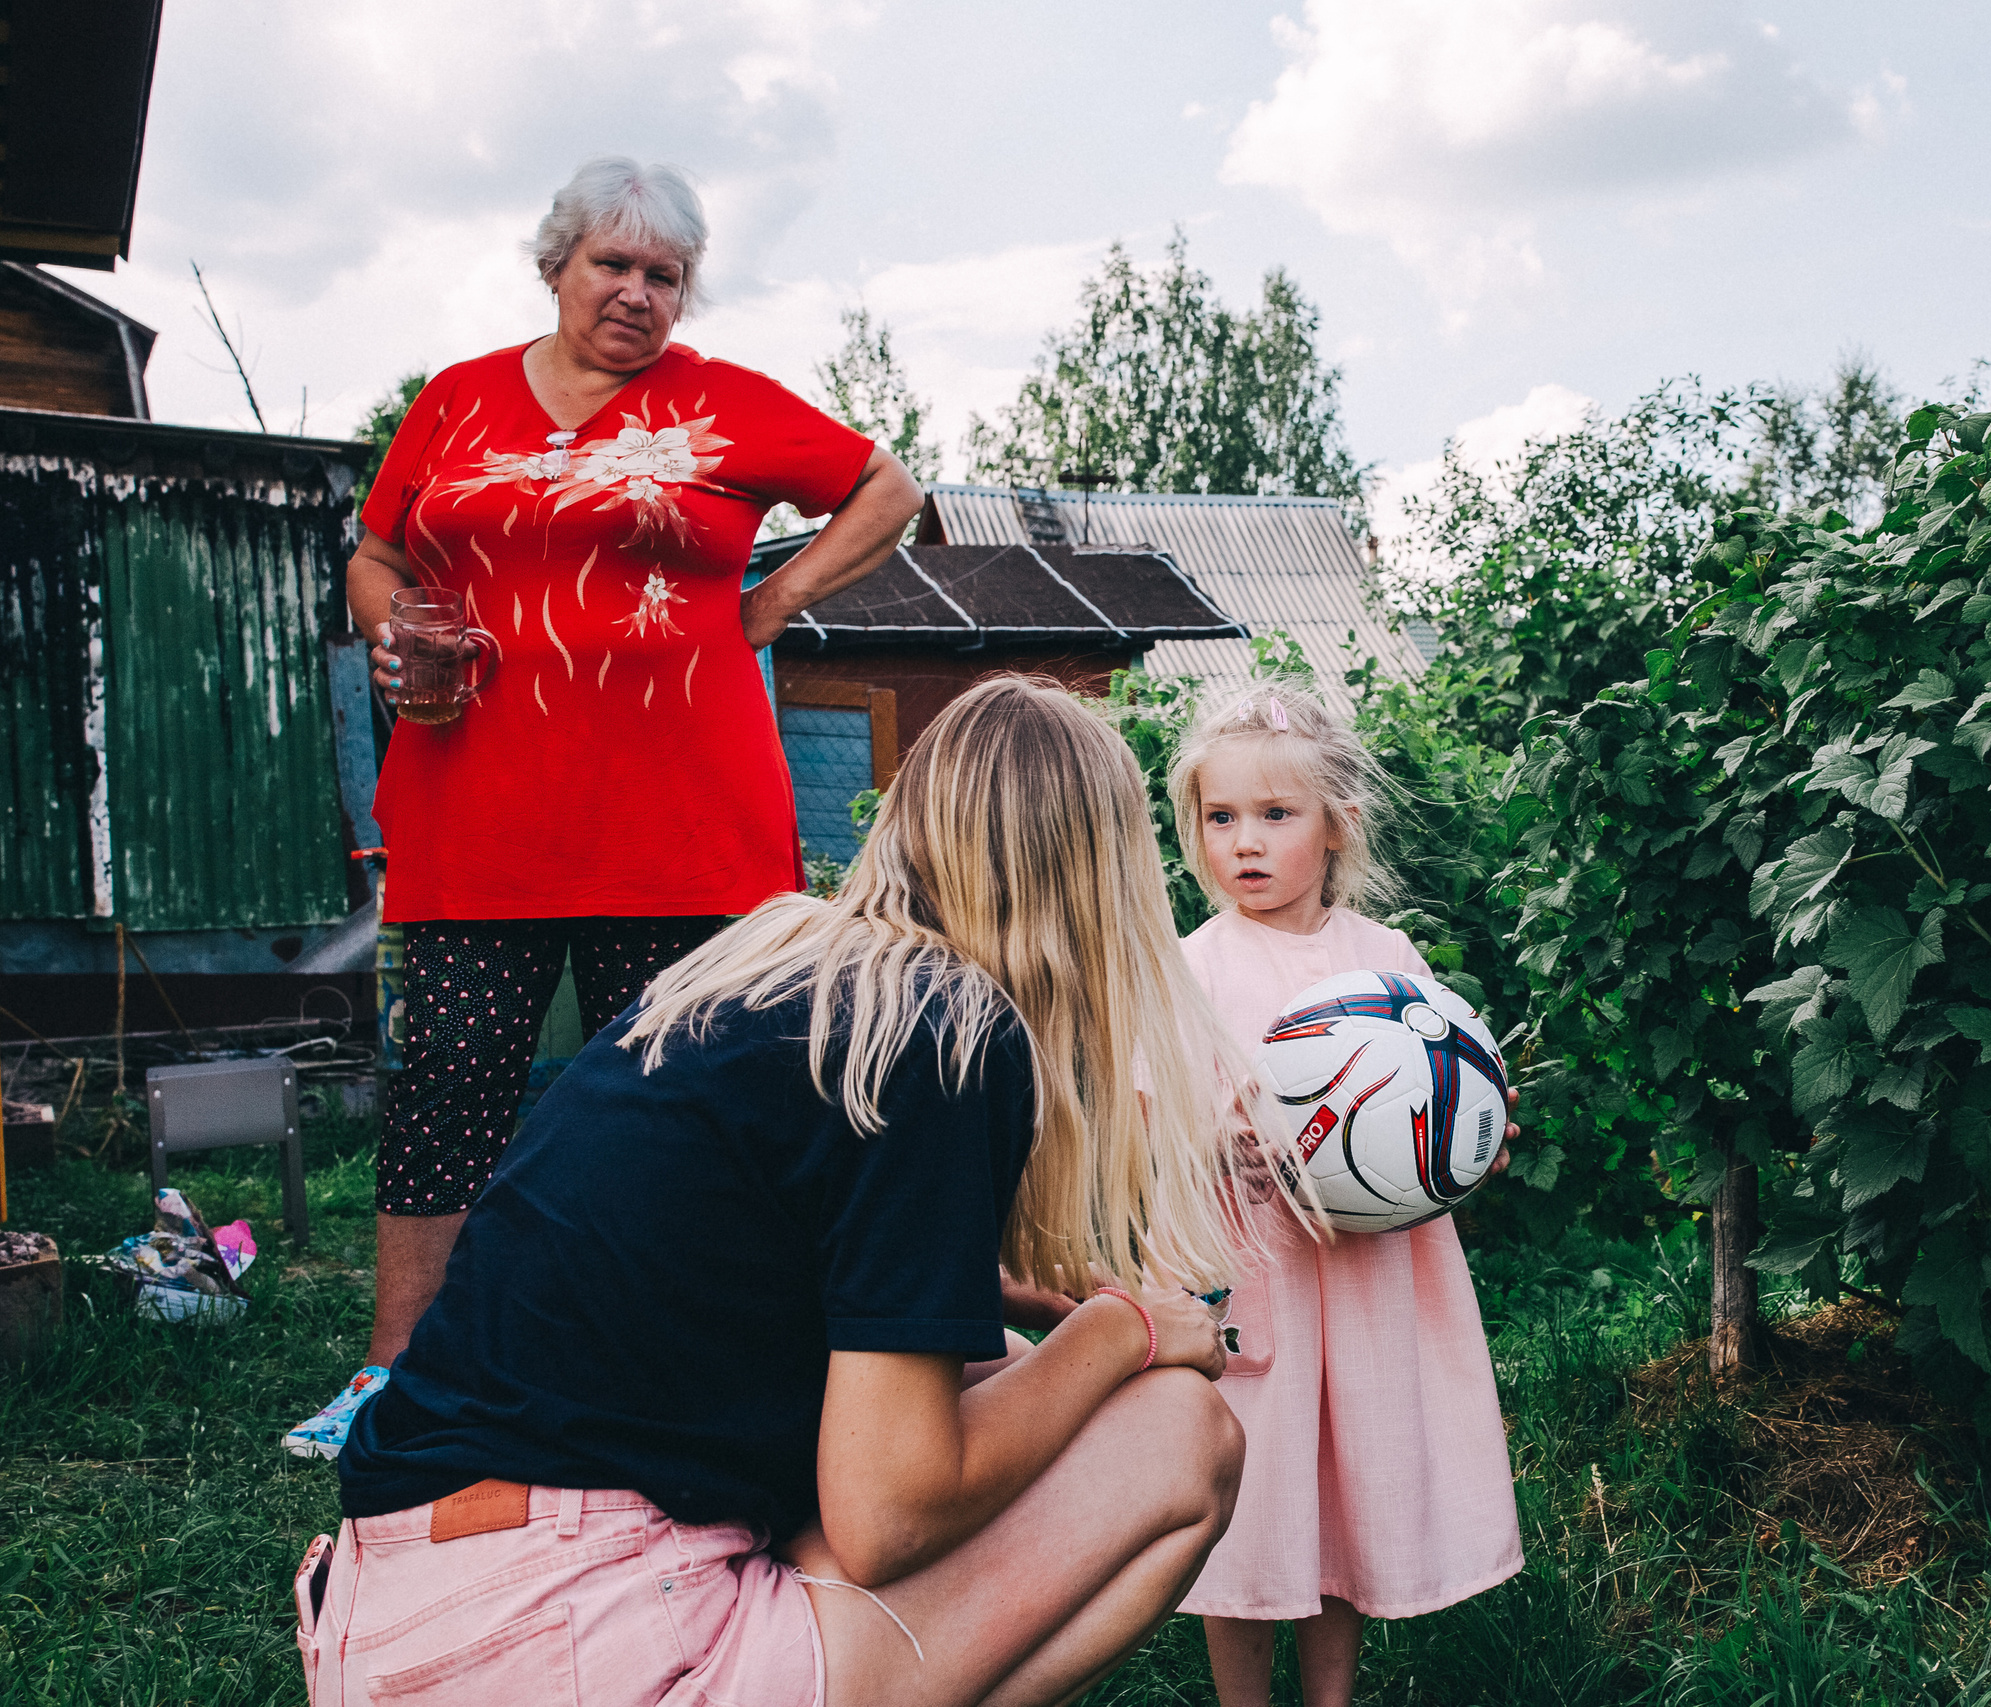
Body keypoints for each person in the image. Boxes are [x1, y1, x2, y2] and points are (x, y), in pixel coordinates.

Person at [303, 677, 1268, 1706]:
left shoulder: (767, 967)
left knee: (1006, 1365)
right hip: (561, 1634)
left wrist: (985, 1294)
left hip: (408, 1610)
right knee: (1176, 1432)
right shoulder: (938, 1027)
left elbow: (708, 1246)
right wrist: (1122, 1328)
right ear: (1094, 881)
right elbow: (888, 1513)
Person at [283, 157, 925, 1458]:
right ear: (556, 264)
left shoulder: (728, 403)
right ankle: (398, 1371)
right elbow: (377, 552)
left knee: (673, 1094)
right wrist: (393, 631)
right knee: (449, 1079)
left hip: (680, 823)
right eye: (611, 266)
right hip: (478, 811)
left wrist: (773, 602)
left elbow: (889, 489)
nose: (636, 294)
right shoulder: (456, 402)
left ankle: (659, 1352)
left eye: (664, 276)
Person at [1165, 686, 1525, 1707]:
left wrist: (1469, 1144)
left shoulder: (1385, 963)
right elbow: (1144, 1133)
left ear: (1335, 827)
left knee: (1345, 1499)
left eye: (1275, 816)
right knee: (1251, 1509)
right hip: (1254, 1282)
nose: (1244, 842)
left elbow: (1450, 1091)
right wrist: (1209, 1147)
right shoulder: (1187, 970)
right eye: (1219, 817)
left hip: (1371, 1288)